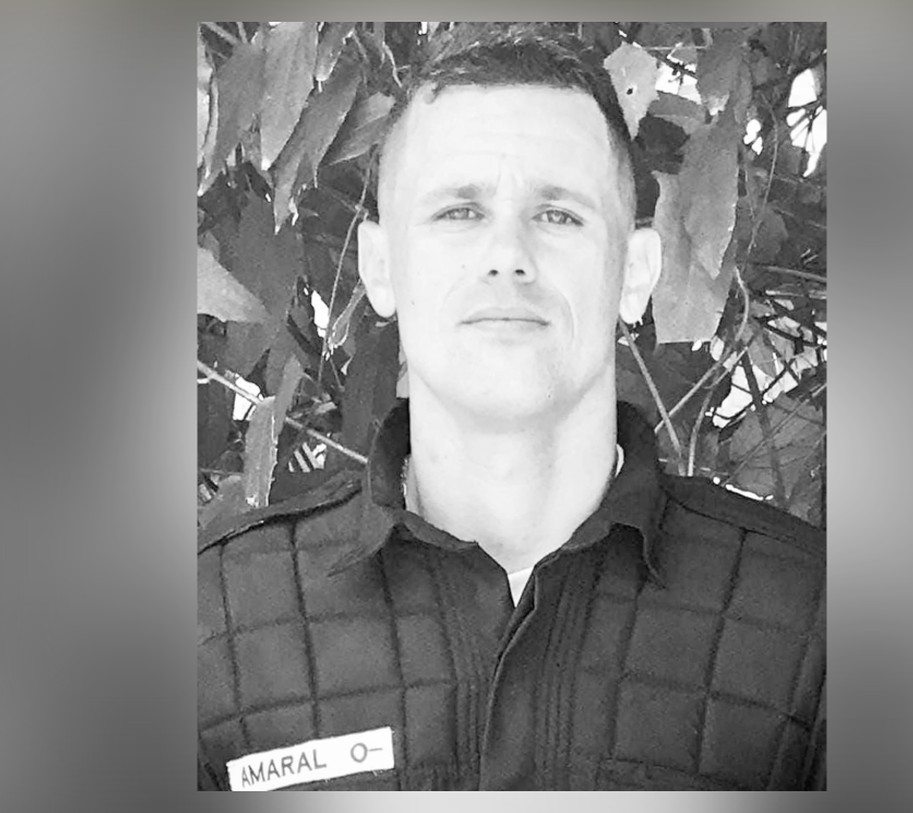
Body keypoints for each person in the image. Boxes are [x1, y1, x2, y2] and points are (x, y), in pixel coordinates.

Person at [197, 24, 825, 791]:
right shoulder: (212, 622)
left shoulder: (813, 624)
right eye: (459, 213)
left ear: (635, 274)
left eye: (558, 215)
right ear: (380, 268)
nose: (507, 255)